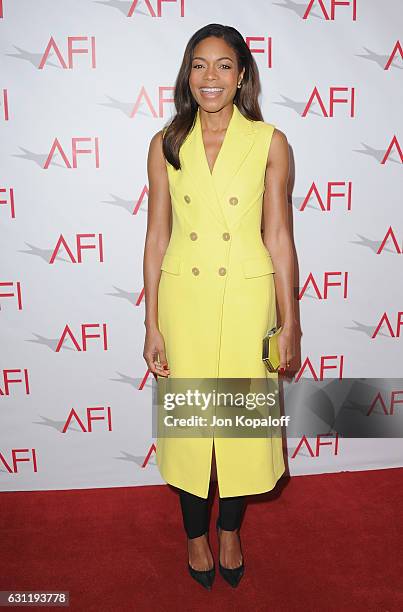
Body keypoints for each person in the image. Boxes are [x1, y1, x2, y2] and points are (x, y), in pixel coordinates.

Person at [143, 23, 296, 590]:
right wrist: (152, 323)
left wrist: (290, 325)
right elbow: (157, 238)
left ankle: (229, 530)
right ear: (188, 73)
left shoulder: (269, 141)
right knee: (188, 430)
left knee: (238, 431)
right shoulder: (166, 142)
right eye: (200, 64)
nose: (211, 76)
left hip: (247, 298)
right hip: (185, 299)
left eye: (224, 65)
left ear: (242, 76)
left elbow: (279, 235)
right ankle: (195, 535)